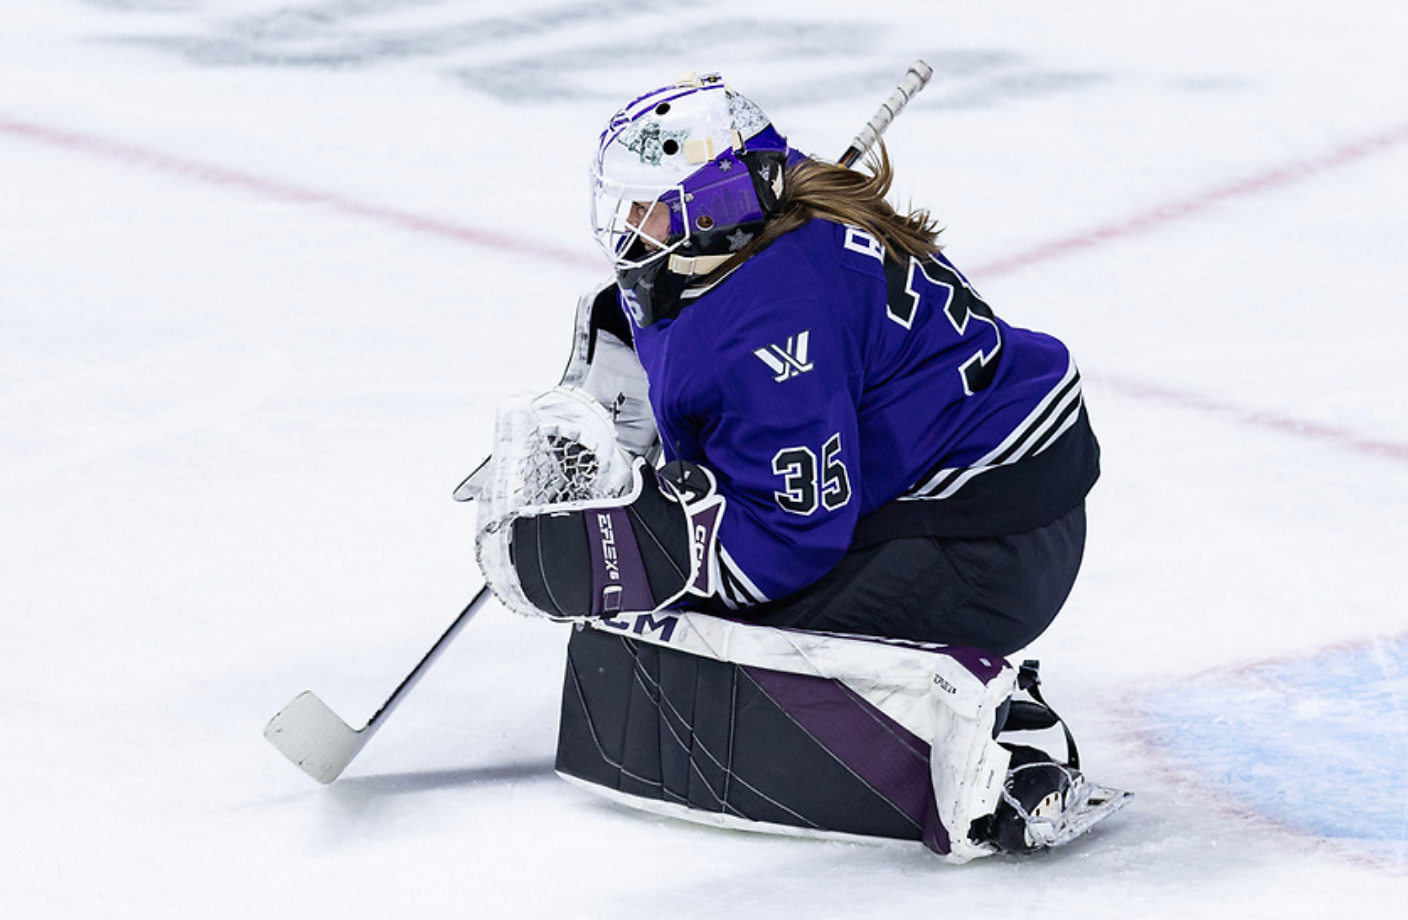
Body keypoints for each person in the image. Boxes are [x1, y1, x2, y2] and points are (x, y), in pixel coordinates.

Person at [472, 72, 1122, 858]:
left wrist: (653, 552)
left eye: (648, 209)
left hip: (989, 543)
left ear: (711, 208)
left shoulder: (775, 330)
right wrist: (637, 363)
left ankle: (1005, 744)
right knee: (681, 630)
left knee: (722, 635)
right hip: (980, 488)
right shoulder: (764, 218)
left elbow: (793, 537)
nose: (629, 229)